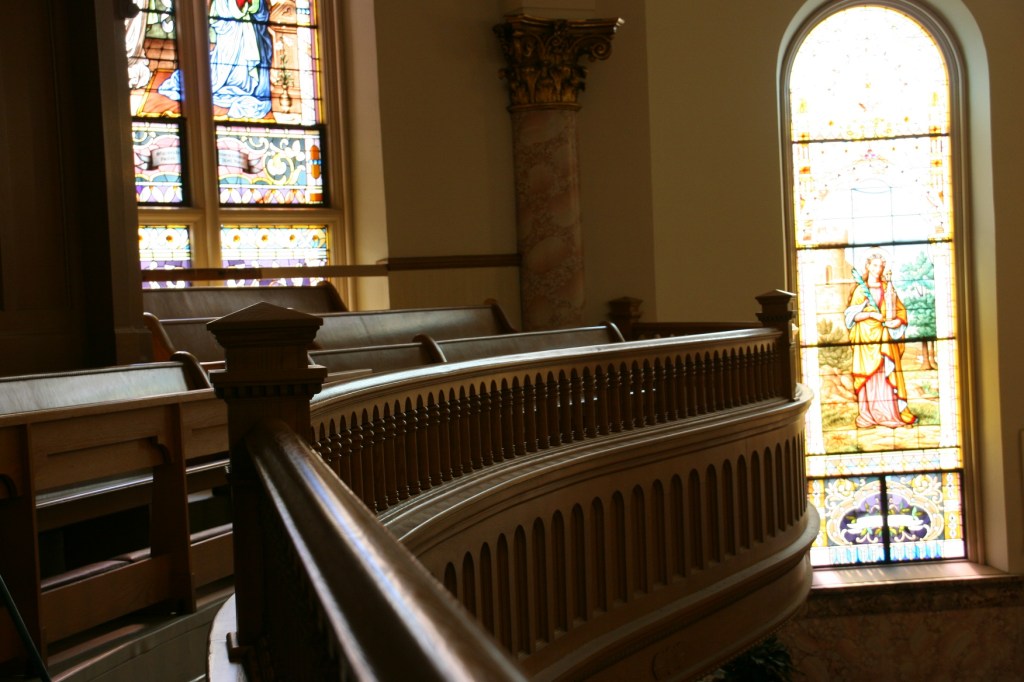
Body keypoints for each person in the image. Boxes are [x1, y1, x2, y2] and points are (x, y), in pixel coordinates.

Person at [845, 250, 917, 428]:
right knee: (867, 376)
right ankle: (868, 415)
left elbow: (900, 311)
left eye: (881, 266)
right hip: (865, 339)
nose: (879, 269)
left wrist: (897, 322)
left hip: (885, 338)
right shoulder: (861, 289)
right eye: (875, 265)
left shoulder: (887, 288)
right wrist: (871, 316)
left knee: (886, 374)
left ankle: (888, 414)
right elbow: (851, 315)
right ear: (868, 266)